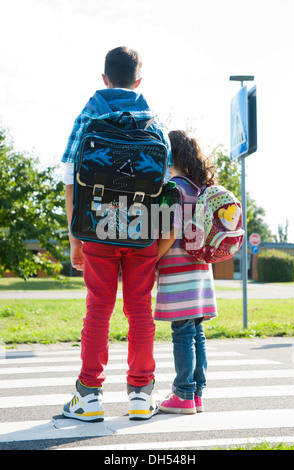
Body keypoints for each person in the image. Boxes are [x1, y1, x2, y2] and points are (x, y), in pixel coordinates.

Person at [62, 46, 171, 422]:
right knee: (139, 308)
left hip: (95, 227)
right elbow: (164, 183)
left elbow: (70, 179)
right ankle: (141, 394)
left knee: (98, 309)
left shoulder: (88, 116)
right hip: (141, 229)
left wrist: (75, 236)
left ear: (104, 78)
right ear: (139, 81)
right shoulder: (154, 123)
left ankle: (89, 396)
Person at [154, 130, 218, 414]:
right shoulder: (200, 188)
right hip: (201, 271)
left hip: (177, 272)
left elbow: (169, 231)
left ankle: (182, 394)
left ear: (169, 156)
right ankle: (197, 393)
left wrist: (152, 260)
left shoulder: (171, 190)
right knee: (196, 331)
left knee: (181, 332)